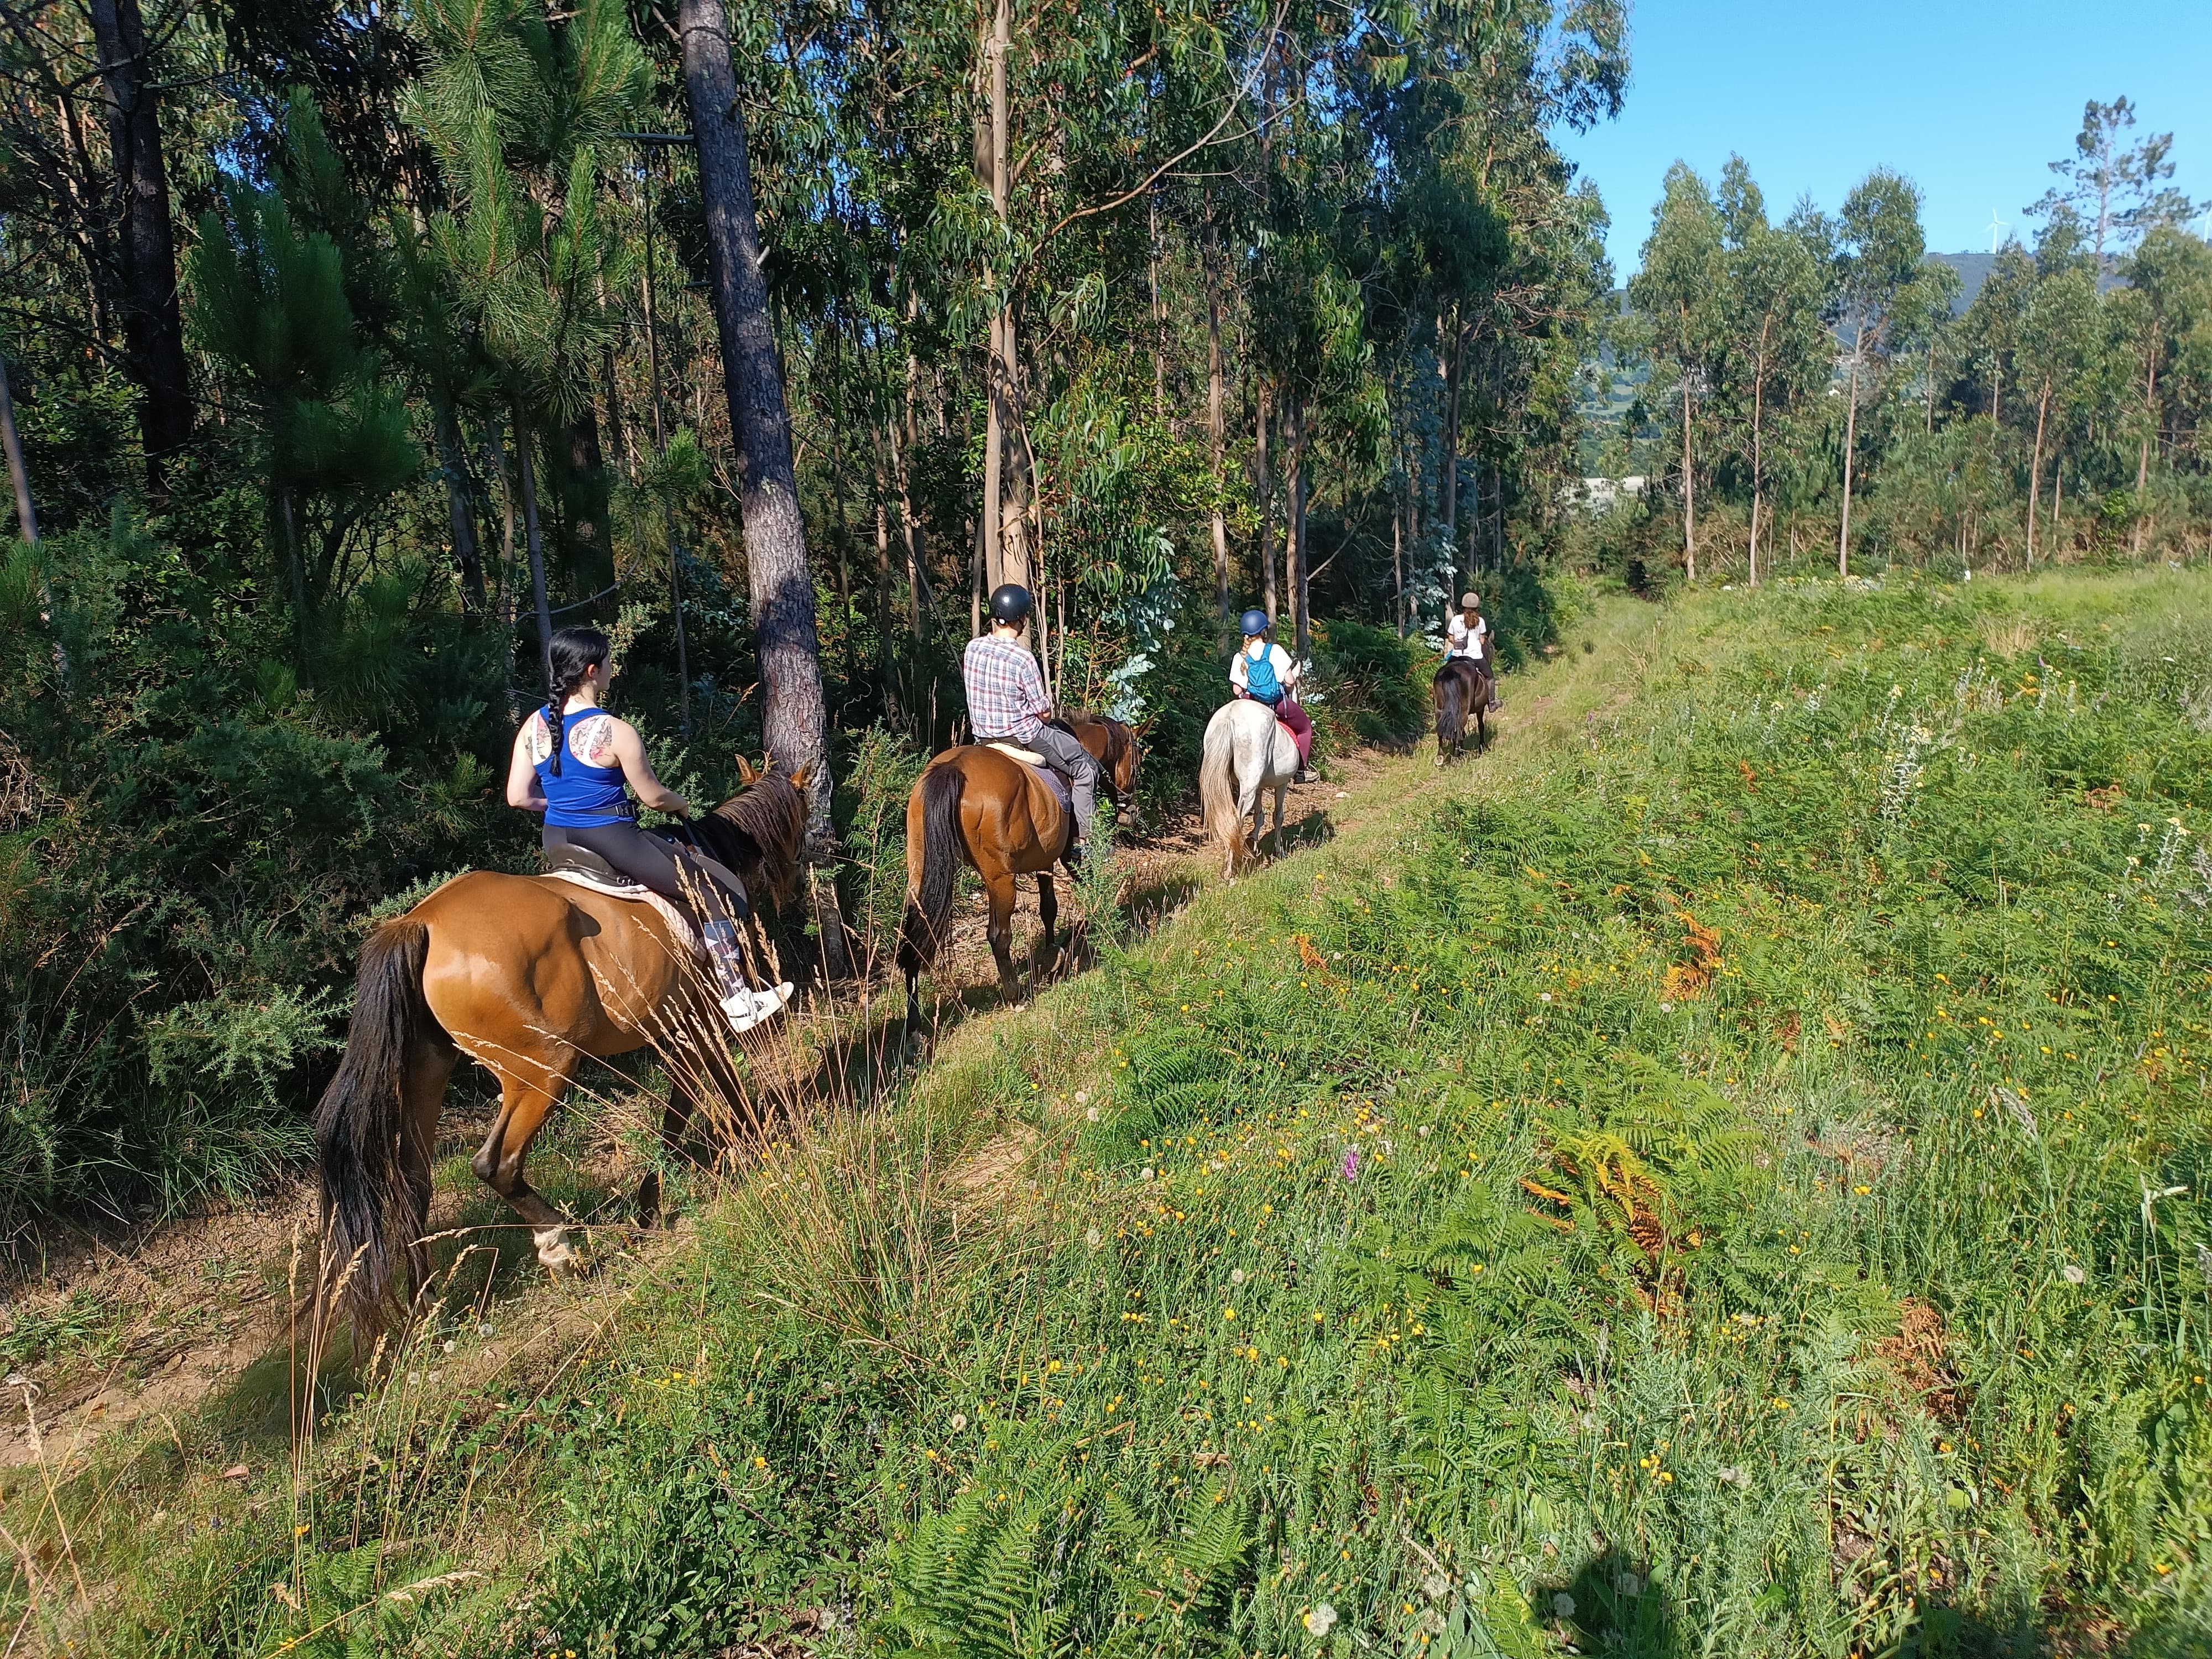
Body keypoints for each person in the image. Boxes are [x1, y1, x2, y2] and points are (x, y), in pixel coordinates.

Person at [506, 625, 792, 1033]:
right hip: (612, 839)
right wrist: (681, 803)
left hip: (556, 839)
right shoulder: (615, 731)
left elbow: (518, 797)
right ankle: (737, 997)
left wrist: (565, 806)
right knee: (714, 893)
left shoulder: (532, 726)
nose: (611, 669)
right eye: (607, 662)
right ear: (591, 670)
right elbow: (653, 798)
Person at [963, 584, 1098, 858]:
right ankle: (1084, 845)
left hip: (984, 738)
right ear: (1021, 619)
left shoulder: (973, 647)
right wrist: (1044, 712)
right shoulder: (1023, 658)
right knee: (1085, 767)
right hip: (1023, 737)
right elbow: (1043, 713)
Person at [1229, 608, 1315, 780]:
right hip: (1275, 704)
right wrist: (1287, 689)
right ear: (1263, 631)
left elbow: (1237, 690)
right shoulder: (1274, 650)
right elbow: (1290, 681)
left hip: (1249, 703)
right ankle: (1300, 772)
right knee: (1306, 728)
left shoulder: (1240, 657)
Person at [1443, 591, 1501, 711]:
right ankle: (1491, 703)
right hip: (1475, 656)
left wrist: (1456, 642)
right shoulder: (1480, 621)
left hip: (1457, 656)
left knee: (1444, 675)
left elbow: (1450, 638)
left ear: (1463, 606)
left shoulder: (1455, 619)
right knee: (1490, 677)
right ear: (1477, 607)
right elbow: (1481, 641)